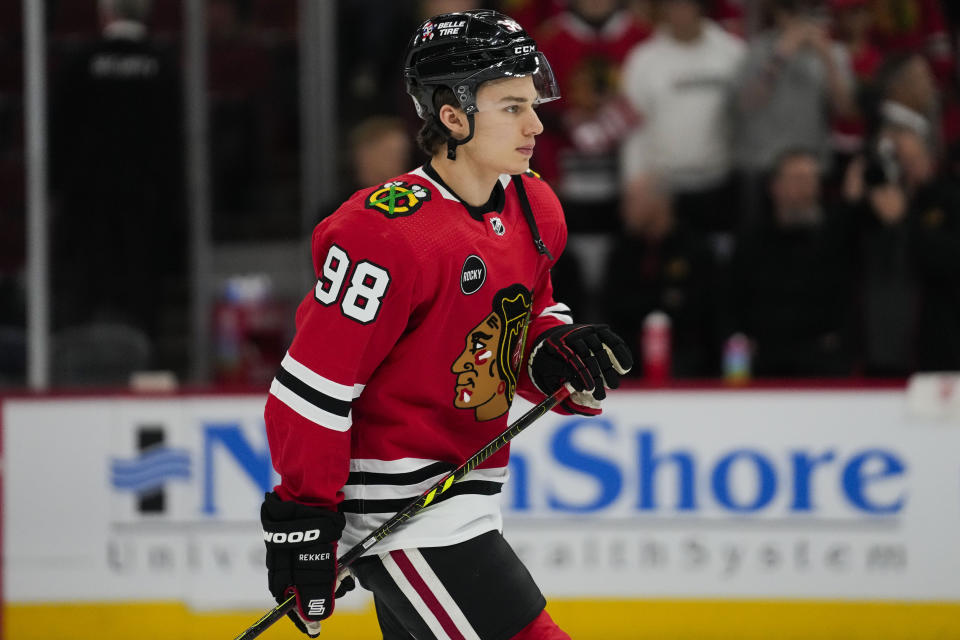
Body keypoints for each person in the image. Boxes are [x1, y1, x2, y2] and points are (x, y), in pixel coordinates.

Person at [259, 10, 632, 640]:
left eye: (533, 102)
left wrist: (554, 351)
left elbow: (522, 318)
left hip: (466, 497)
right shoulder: (383, 232)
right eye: (512, 106)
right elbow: (314, 387)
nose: (536, 124)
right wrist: (305, 518)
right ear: (453, 116)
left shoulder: (533, 204)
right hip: (402, 513)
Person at [49, 0, 186, 376]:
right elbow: (176, 150)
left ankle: (73, 392)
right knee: (141, 316)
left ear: (104, 14)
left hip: (85, 219)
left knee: (81, 314)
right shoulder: (164, 67)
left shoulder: (79, 63)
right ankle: (140, 387)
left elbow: (55, 145)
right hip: (145, 219)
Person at [620, 0, 745, 254]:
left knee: (720, 265)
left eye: (686, 4)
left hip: (722, 184)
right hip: (665, 190)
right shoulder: (644, 59)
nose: (679, 11)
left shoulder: (733, 53)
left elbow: (748, 118)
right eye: (672, 5)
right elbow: (632, 129)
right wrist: (634, 182)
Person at [724, 148, 855, 377]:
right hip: (762, 361)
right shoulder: (751, 242)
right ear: (774, 186)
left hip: (820, 362)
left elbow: (847, 302)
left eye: (811, 179)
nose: (806, 188)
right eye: (797, 179)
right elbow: (729, 301)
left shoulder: (834, 239)